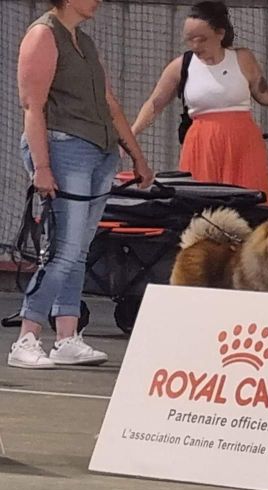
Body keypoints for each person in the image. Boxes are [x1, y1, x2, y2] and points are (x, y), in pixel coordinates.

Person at [9, 0, 155, 370]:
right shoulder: (43, 35)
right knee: (63, 250)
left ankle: (67, 338)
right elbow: (33, 106)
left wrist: (136, 155)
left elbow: (110, 104)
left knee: (78, 250)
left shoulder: (83, 42)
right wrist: (41, 166)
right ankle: (26, 337)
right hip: (63, 148)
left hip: (99, 152)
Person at [130, 1, 268, 200]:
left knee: (249, 202)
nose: (195, 45)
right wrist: (129, 137)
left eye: (201, 39)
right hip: (202, 144)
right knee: (201, 205)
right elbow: (154, 104)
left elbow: (266, 94)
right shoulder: (181, 65)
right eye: (189, 39)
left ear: (220, 33)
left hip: (243, 142)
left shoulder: (242, 58)